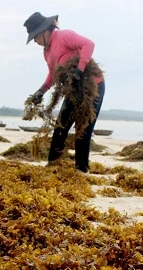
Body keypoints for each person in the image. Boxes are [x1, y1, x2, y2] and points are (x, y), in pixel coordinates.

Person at [24, 12, 105, 173]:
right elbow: (52, 74)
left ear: (45, 30)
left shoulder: (63, 36)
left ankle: (81, 171)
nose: (35, 41)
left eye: (35, 36)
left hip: (91, 86)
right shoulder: (46, 52)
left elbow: (89, 44)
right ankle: (52, 167)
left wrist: (80, 70)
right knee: (60, 127)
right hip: (73, 90)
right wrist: (41, 91)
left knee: (83, 130)